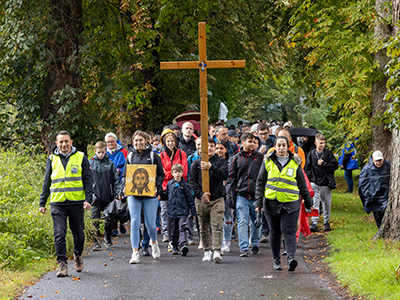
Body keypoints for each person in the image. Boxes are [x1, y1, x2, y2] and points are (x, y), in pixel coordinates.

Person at [39, 130, 93, 277]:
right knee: (59, 234)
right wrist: (42, 202)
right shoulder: (52, 159)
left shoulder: (81, 157)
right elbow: (47, 182)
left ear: (71, 142)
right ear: (57, 144)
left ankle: (77, 255)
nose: (64, 144)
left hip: (76, 202)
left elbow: (88, 180)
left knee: (79, 235)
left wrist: (88, 200)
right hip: (57, 202)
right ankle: (62, 264)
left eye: (66, 141)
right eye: (61, 142)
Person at [255, 136, 313, 271]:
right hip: (271, 202)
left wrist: (308, 202)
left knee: (289, 231)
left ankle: (291, 258)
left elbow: (302, 184)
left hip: (291, 202)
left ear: (288, 147)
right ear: (275, 147)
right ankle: (276, 260)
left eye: (283, 145)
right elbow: (260, 183)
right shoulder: (267, 161)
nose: (281, 148)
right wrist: (258, 202)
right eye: (278, 145)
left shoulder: (295, 162)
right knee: (274, 232)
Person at [121, 130, 164, 264]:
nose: (139, 143)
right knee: (134, 222)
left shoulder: (153, 156)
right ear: (133, 142)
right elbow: (124, 175)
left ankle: (154, 242)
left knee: (150, 224)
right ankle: (135, 252)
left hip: (149, 193)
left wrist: (156, 186)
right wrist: (124, 187)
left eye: (141, 140)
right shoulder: (130, 156)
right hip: (133, 194)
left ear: (146, 141)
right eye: (136, 140)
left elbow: (161, 174)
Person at [189, 138, 228, 263]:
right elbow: (192, 181)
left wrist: (211, 167)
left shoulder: (221, 161)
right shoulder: (195, 163)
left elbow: (224, 175)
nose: (209, 148)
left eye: (212, 146)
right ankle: (207, 250)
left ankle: (217, 250)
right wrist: (201, 194)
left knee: (216, 225)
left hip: (217, 199)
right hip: (201, 200)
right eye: (207, 146)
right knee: (203, 226)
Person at [226, 133, 264, 257]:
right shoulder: (235, 159)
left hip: (256, 195)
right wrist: (230, 198)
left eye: (254, 142)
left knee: (257, 220)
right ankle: (243, 247)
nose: (252, 144)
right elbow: (231, 179)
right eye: (249, 141)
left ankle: (255, 243)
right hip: (241, 194)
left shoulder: (260, 157)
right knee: (242, 221)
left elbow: (265, 176)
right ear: (242, 143)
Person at [90, 141, 121, 251]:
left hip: (108, 195)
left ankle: (108, 237)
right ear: (95, 152)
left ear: (105, 151)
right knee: (94, 219)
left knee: (109, 219)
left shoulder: (110, 164)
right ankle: (96, 241)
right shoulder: (91, 163)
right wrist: (88, 196)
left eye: (103, 152)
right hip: (95, 196)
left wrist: (118, 194)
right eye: (99, 152)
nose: (101, 154)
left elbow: (116, 181)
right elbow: (87, 181)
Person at [304, 133, 339, 232]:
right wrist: (310, 179)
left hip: (326, 183)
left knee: (326, 203)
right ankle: (314, 222)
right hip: (315, 182)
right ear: (315, 143)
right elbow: (307, 168)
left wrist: (324, 164)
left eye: (323, 143)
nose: (322, 145)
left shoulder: (328, 154)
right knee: (315, 203)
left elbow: (334, 166)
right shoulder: (311, 154)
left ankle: (326, 222)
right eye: (320, 143)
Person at [160, 128, 189, 243]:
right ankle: (166, 233)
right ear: (164, 143)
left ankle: (182, 236)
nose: (170, 143)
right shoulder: (161, 156)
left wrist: (169, 173)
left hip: (180, 187)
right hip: (166, 187)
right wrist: (172, 174)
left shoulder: (182, 154)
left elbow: (184, 171)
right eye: (168, 141)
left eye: (172, 141)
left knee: (180, 212)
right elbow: (161, 173)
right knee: (165, 211)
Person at [163, 164, 196, 256]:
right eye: (175, 172)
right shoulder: (170, 184)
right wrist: (160, 195)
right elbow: (166, 195)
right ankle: (174, 245)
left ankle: (183, 245)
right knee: (173, 230)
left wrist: (193, 211)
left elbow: (190, 199)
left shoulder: (185, 185)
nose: (177, 174)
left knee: (182, 227)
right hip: (172, 211)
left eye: (179, 172)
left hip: (182, 211)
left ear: (182, 173)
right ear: (172, 173)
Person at [358, 150, 390, 228]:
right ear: (372, 159)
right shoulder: (366, 169)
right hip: (373, 198)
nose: (378, 163)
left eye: (380, 160)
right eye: (376, 161)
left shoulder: (389, 166)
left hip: (386, 196)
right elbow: (362, 186)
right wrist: (369, 194)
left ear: (383, 158)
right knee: (378, 217)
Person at [105, 132, 128, 235]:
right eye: (108, 142)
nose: (110, 143)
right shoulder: (104, 153)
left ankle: (122, 223)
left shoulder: (121, 152)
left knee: (120, 204)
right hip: (108, 183)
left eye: (112, 141)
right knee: (111, 205)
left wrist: (119, 170)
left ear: (116, 141)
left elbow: (126, 166)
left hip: (119, 181)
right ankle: (114, 227)